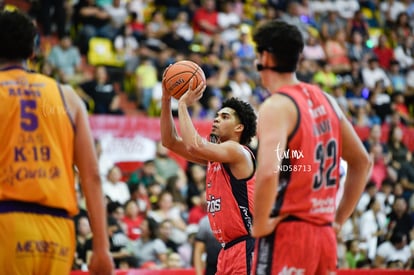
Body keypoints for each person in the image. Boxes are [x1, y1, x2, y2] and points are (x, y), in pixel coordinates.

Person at [250, 20, 371, 274]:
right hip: (324, 236)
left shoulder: (276, 106)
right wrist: (337, 220)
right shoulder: (325, 98)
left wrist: (260, 224)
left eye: (257, 55)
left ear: (266, 56)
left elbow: (269, 171)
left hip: (289, 232)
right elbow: (362, 162)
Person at [0, 10, 114, 275]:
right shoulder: (68, 97)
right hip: (58, 232)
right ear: (33, 52)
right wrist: (101, 248)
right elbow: (92, 176)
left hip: (7, 223)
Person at [160, 80, 257, 272]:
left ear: (239, 128)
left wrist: (182, 105)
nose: (216, 119)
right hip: (227, 250)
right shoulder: (216, 157)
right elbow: (169, 141)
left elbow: (194, 145)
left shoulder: (237, 151)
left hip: (246, 247)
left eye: (225, 116)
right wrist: (166, 98)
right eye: (217, 115)